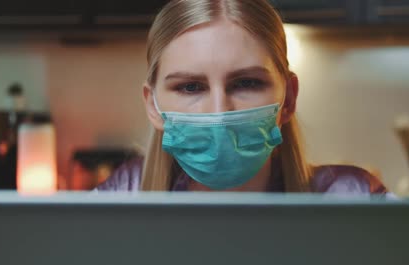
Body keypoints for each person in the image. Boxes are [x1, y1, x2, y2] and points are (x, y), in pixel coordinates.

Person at [96, 0, 390, 196]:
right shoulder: (118, 199)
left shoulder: (352, 198)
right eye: (190, 87)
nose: (219, 112)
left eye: (246, 82)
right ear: (153, 105)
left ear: (288, 99)